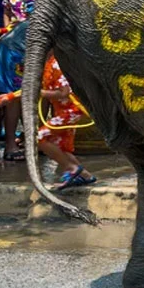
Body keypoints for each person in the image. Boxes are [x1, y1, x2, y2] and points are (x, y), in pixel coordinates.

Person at [37, 55, 97, 191]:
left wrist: (40, 93)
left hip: (70, 111)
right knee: (61, 145)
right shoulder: (48, 63)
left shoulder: (57, 63)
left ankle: (71, 168)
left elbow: (64, 93)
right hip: (63, 111)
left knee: (40, 136)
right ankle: (85, 175)